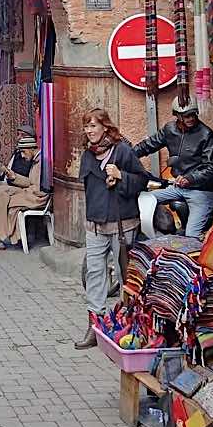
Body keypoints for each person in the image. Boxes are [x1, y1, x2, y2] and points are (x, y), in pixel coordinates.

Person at [75, 107, 163, 348]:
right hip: (95, 224)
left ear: (105, 126)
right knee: (94, 273)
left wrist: (121, 175)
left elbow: (143, 180)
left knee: (126, 274)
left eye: (93, 126)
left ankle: (132, 325)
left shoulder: (122, 151)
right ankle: (95, 326)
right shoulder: (88, 155)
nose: (89, 131)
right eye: (87, 126)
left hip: (122, 225)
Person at [133, 96, 213, 238]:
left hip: (201, 191)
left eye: (193, 114)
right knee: (143, 199)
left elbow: (212, 168)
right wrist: (127, 155)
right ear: (177, 116)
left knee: (192, 236)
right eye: (186, 116)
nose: (191, 118)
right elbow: (148, 145)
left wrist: (190, 178)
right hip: (177, 187)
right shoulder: (169, 129)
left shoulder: (205, 134)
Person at [0, 137, 49, 250]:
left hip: (37, 198)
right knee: (1, 192)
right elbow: (30, 182)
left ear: (31, 149)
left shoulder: (41, 162)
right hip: (31, 193)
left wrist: (22, 190)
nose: (22, 156)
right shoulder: (36, 160)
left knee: (2, 195)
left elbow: (38, 189)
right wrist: (14, 177)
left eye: (24, 152)